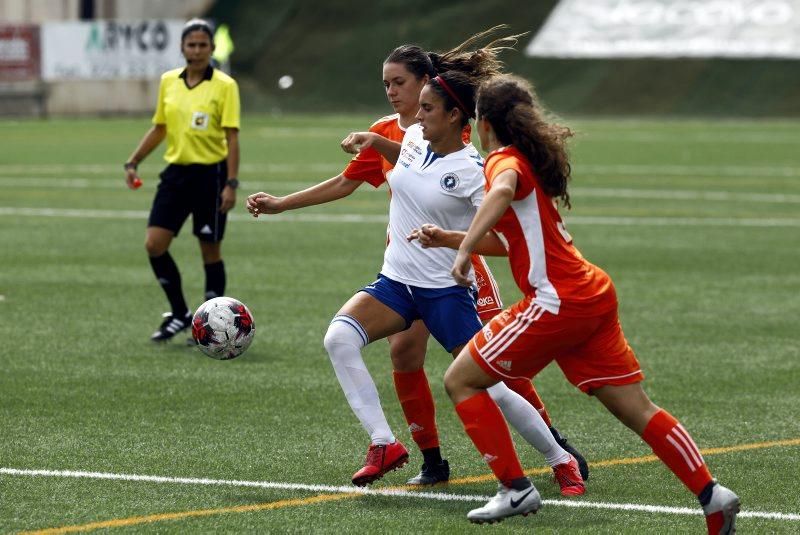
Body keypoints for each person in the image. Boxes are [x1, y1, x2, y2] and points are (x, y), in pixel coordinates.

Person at [247, 35, 585, 495]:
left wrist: (451, 241)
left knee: (492, 386)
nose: (413, 114)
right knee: (339, 339)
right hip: (396, 283)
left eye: (425, 107)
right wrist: (370, 141)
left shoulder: (470, 169)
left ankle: (559, 458)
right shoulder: (407, 136)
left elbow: (506, 241)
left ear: (452, 116)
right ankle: (385, 443)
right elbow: (399, 157)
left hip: (445, 291)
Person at [411, 74, 740, 529]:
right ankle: (712, 493)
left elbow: (502, 189)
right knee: (636, 409)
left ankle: (515, 488)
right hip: (590, 294)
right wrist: (454, 238)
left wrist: (464, 249)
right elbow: (514, 244)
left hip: (556, 302)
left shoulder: (503, 159)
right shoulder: (529, 159)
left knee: (461, 380)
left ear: (483, 124)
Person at [124, 18, 241, 342]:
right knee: (154, 244)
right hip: (175, 175)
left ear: (212, 48)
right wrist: (134, 161)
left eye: (203, 44)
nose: (197, 50)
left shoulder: (225, 85)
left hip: (211, 175)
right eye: (192, 44)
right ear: (182, 48)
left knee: (210, 251)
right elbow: (160, 127)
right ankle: (179, 313)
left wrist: (231, 184)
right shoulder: (169, 81)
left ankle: (209, 325)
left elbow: (232, 137)